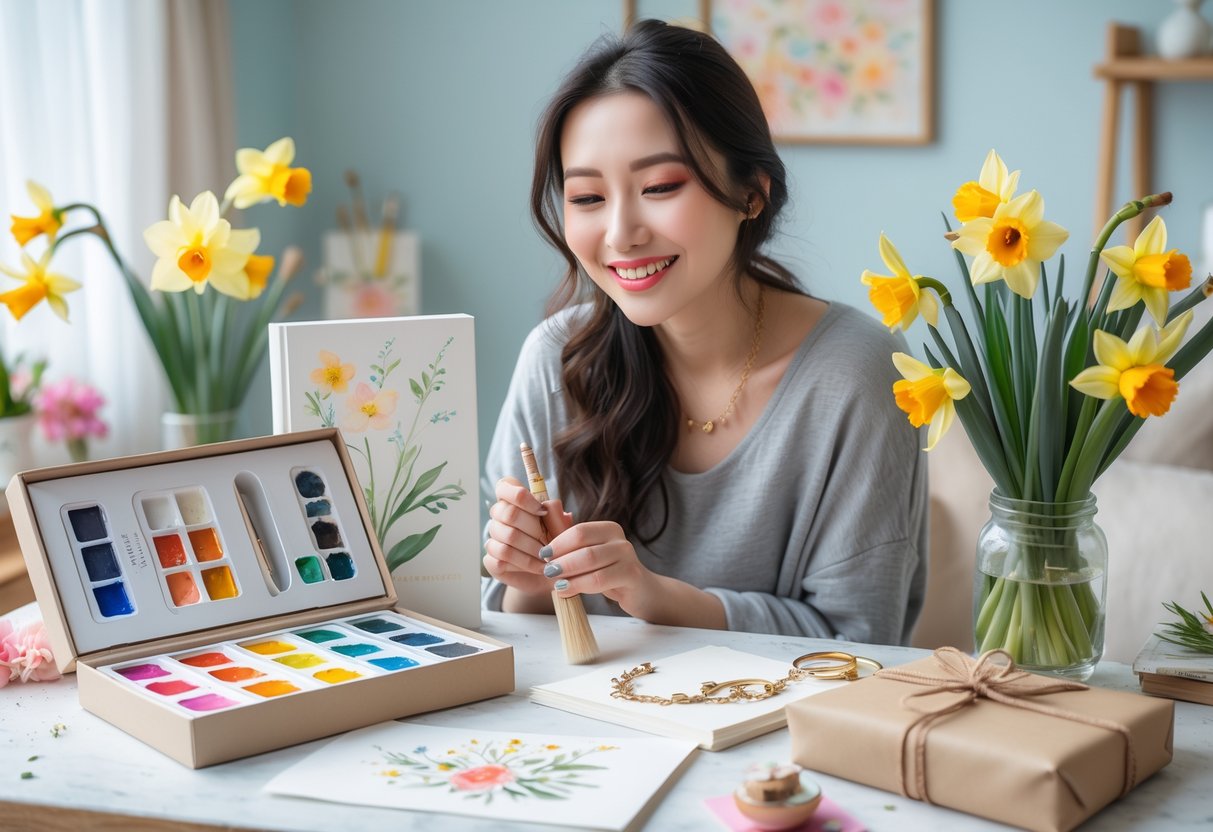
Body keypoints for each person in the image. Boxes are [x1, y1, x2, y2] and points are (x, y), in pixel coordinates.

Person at [481, 19, 927, 645]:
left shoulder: (858, 373)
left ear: (752, 194)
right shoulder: (556, 359)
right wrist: (525, 576)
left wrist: (652, 594)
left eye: (660, 186)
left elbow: (860, 639)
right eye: (586, 197)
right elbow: (512, 630)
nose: (619, 233)